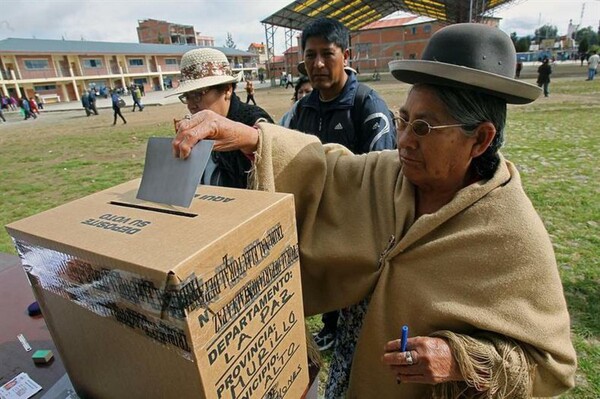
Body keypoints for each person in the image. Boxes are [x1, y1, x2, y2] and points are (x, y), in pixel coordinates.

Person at [172, 23, 577, 398]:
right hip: (351, 371)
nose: (403, 141)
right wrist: (247, 137)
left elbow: (552, 367)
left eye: (422, 129)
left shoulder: (511, 231)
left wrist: (458, 358)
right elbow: (326, 169)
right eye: (403, 120)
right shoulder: (391, 176)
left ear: (480, 139)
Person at [291, 17, 396, 359]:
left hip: (359, 234)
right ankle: (330, 328)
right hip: (316, 230)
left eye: (327, 54)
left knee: (361, 322)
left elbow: (383, 180)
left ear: (346, 55)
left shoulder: (369, 108)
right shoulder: (300, 110)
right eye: (310, 56)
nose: (317, 64)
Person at [165, 47, 273, 188]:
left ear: (227, 90)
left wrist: (250, 140)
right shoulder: (197, 128)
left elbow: (274, 157)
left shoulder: (255, 122)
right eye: (186, 97)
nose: (191, 105)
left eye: (197, 94)